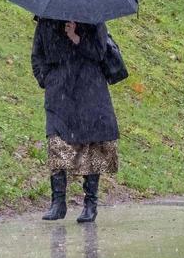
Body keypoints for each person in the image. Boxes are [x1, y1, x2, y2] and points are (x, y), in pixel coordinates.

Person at [31, 16, 119, 222]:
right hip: (59, 91)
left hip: (89, 89)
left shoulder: (93, 19)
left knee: (92, 143)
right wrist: (46, 79)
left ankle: (90, 203)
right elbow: (37, 55)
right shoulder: (46, 21)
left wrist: (76, 37)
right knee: (57, 141)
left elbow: (99, 52)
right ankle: (58, 202)